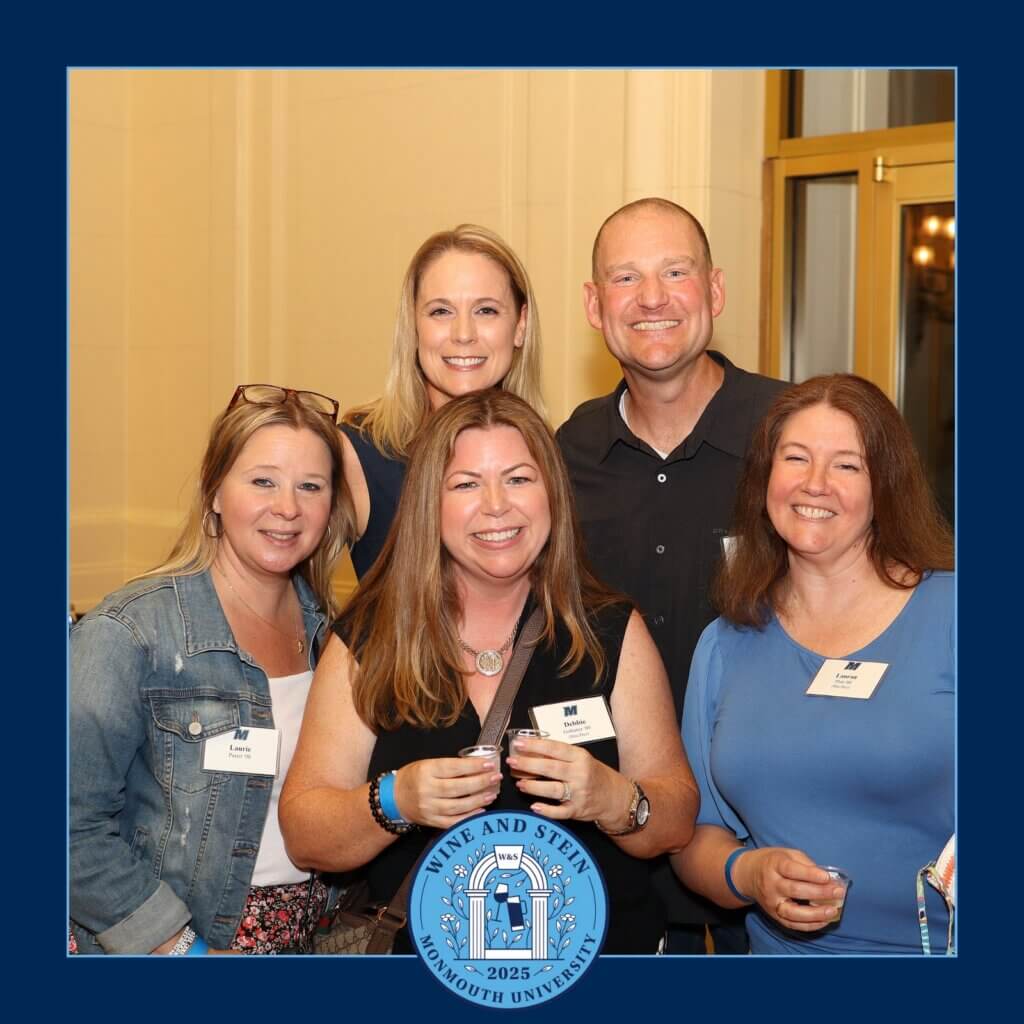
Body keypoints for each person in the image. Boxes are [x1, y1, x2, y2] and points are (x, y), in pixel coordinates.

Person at [280, 390, 698, 954]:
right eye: (466, 484)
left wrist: (613, 796)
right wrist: (395, 800)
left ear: (553, 495)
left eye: (519, 479)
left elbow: (674, 819)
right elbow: (306, 834)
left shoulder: (610, 630)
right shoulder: (371, 640)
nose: (496, 505)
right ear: (431, 503)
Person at [556, 196, 786, 953]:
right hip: (600, 854)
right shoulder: (566, 454)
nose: (651, 299)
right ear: (595, 305)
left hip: (762, 862)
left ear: (715, 292)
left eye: (674, 272)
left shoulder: (791, 439)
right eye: (626, 278)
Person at [671, 374, 955, 954]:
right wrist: (750, 874)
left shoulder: (956, 615)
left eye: (847, 466)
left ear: (885, 486)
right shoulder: (726, 643)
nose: (815, 484)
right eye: (795, 458)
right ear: (764, 479)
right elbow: (697, 838)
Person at [70, 385, 355, 954]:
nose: (288, 508)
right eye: (263, 480)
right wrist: (182, 950)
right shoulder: (130, 632)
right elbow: (66, 826)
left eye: (311, 486)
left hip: (306, 938)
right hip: (176, 944)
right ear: (215, 492)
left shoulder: (335, 636)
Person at [340, 223, 546, 578]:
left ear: (520, 325)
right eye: (441, 312)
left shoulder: (545, 454)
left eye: (486, 311)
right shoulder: (357, 455)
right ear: (413, 325)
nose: (463, 334)